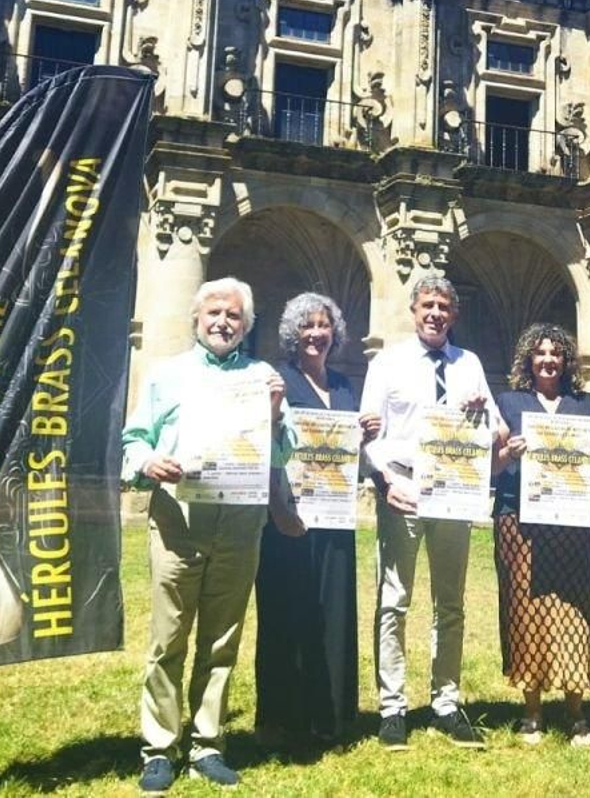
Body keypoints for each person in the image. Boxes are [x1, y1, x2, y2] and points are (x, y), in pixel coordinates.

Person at [121, 277, 292, 793]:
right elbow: (134, 440)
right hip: (180, 520)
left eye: (233, 315)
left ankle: (207, 744)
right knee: (168, 637)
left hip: (240, 522)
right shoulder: (167, 374)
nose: (223, 322)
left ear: (247, 325)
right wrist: (149, 463)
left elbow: (284, 452)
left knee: (222, 639)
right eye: (214, 312)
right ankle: (159, 747)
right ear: (196, 319)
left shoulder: (262, 378)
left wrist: (275, 414)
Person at [360, 272, 498, 751]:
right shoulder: (388, 362)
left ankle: (446, 703)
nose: (435, 314)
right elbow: (368, 432)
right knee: (394, 600)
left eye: (443, 307)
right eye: (428, 306)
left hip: (453, 489)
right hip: (404, 486)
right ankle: (392, 708)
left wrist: (482, 412)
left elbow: (494, 431)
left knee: (451, 602)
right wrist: (385, 483)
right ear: (414, 311)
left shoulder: (469, 364)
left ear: (453, 315)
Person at [253, 291, 378, 748]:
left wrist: (365, 439)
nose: (316, 334)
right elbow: (262, 444)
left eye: (324, 326)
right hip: (288, 517)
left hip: (335, 518)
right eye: (307, 326)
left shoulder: (344, 386)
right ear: (292, 333)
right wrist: (277, 508)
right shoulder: (277, 380)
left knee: (333, 612)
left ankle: (332, 717)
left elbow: (349, 456)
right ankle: (281, 718)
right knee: (284, 613)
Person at [490, 323, 590, 747]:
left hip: (571, 522)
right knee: (526, 612)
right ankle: (532, 711)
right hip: (519, 520)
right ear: (528, 359)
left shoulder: (585, 403)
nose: (548, 360)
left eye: (556, 353)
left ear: (566, 361)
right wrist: (510, 452)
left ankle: (575, 710)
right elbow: (492, 465)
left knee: (574, 611)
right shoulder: (508, 402)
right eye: (540, 353)